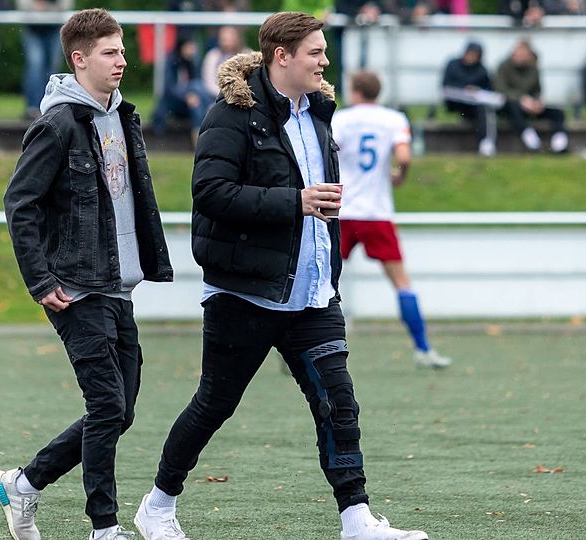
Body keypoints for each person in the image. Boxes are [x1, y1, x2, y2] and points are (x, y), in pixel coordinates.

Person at [133, 13, 428, 540]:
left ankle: (357, 520)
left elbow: (318, 202)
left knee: (338, 404)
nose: (325, 62)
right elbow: (211, 194)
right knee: (214, 405)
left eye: (324, 51)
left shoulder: (321, 113)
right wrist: (295, 201)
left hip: (313, 294)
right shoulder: (230, 114)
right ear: (282, 56)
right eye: (316, 52)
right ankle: (157, 505)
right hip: (244, 293)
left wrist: (323, 244)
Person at [0, 9, 174, 540]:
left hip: (117, 286)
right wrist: (40, 281)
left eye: (122, 51)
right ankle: (104, 527)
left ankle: (24, 484)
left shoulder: (123, 116)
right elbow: (19, 204)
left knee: (121, 411)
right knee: (106, 404)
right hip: (74, 288)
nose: (122, 61)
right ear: (79, 59)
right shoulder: (57, 124)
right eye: (109, 52)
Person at [333, 70, 452, 369]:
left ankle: (300, 349)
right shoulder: (394, 119)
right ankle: (423, 349)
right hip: (376, 213)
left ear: (354, 91)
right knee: (401, 282)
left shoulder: (341, 119)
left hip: (342, 212)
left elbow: (326, 154)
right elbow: (405, 157)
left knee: (322, 282)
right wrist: (399, 176)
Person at [495, 39, 568, 153]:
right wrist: (521, 99)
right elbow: (501, 89)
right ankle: (532, 142)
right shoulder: (504, 66)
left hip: (530, 106)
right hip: (510, 105)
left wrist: (537, 102)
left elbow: (537, 90)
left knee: (558, 113)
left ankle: (559, 145)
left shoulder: (533, 68)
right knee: (514, 108)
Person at [152, 37, 213, 146]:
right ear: (182, 47)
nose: (192, 50)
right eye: (190, 47)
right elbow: (169, 88)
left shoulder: (191, 62)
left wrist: (191, 96)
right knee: (196, 86)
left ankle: (198, 137)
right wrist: (186, 96)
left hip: (191, 101)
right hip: (172, 101)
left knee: (196, 102)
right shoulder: (171, 62)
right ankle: (210, 108)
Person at [442, 41, 500, 156]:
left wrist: (476, 90)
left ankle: (485, 143)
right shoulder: (453, 65)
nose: (472, 57)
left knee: (484, 109)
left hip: (474, 105)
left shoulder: (481, 69)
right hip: (455, 102)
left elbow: (488, 89)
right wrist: (464, 89)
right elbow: (446, 86)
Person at [18, 0, 72, 120]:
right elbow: (22, 4)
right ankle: (32, 107)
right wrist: (35, 6)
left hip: (55, 28)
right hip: (32, 28)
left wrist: (46, 7)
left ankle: (50, 106)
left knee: (52, 69)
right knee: (35, 67)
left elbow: (65, 5)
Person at [200, 26, 247, 98]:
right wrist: (225, 95)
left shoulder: (246, 54)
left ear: (237, 39)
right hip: (215, 97)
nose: (226, 43)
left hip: (242, 96)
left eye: (229, 39)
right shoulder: (212, 55)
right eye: (224, 39)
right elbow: (208, 82)